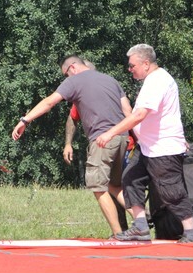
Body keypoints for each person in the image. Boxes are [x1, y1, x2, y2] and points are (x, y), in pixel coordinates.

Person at [12, 56, 132, 235]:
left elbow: (49, 102)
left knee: (97, 187)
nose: (66, 79)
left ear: (73, 68)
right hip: (123, 137)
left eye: (65, 74)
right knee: (115, 186)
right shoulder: (111, 80)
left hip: (102, 139)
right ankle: (142, 220)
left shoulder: (75, 81)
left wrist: (25, 119)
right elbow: (128, 111)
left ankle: (118, 235)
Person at [95, 44, 193, 244]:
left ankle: (190, 232)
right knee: (131, 179)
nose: (129, 69)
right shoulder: (154, 80)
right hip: (148, 147)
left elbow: (140, 115)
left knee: (171, 191)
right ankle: (141, 227)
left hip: (163, 149)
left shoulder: (157, 81)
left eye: (132, 65)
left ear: (145, 63)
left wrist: (110, 133)